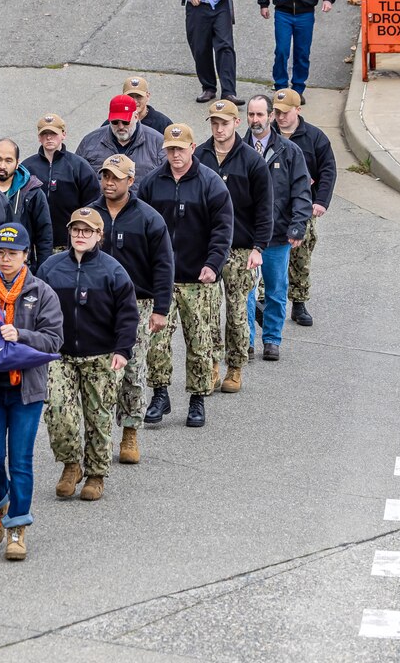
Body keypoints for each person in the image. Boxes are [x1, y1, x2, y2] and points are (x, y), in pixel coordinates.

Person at [0, 223, 63, 562]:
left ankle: (16, 528)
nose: (5, 258)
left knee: (21, 462)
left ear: (26, 256)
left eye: (12, 253)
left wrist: (20, 335)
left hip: (26, 390)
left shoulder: (42, 292)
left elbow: (54, 341)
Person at [40, 207, 139, 502]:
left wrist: (123, 350)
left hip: (102, 355)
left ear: (99, 236)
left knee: (98, 417)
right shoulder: (50, 268)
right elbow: (36, 308)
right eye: (75, 230)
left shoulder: (113, 271)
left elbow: (127, 314)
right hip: (60, 355)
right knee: (58, 411)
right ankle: (71, 465)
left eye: (87, 231)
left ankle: (96, 474)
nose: (80, 235)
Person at [139, 125, 233, 428]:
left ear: (193, 148)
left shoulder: (211, 183)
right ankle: (160, 393)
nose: (175, 155)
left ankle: (197, 399)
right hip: (162, 280)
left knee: (200, 342)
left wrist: (213, 264)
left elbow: (222, 228)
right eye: (170, 149)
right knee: (157, 342)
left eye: (180, 149)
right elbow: (141, 226)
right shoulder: (153, 182)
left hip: (198, 279)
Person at [94, 154, 174, 464]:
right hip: (97, 303)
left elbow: (164, 265)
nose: (108, 182)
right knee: (99, 369)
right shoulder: (90, 214)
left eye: (115, 177)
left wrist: (161, 308)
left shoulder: (149, 218)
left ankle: (129, 432)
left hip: (137, 304)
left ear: (131, 181)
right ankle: (98, 435)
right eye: (105, 176)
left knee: (133, 368)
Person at [195, 99, 273, 391]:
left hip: (241, 249)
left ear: (236, 123)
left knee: (238, 311)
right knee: (209, 311)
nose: (218, 128)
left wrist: (258, 248)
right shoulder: (200, 155)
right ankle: (213, 364)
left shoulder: (251, 160)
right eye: (214, 123)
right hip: (207, 247)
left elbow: (265, 208)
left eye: (224, 123)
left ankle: (236, 366)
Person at [243, 95, 312, 360]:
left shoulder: (289, 151)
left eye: (260, 115)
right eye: (251, 115)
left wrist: (298, 225)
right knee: (246, 291)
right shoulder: (238, 150)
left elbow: (301, 191)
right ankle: (246, 341)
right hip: (246, 236)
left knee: (275, 289)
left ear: (271, 116)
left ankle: (271, 339)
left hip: (278, 235)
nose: (255, 120)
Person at [272, 88, 337, 327]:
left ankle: (298, 303)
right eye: (276, 112)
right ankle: (262, 301)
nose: (280, 117)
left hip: (301, 207)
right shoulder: (265, 134)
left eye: (285, 112)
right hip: (271, 206)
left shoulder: (315, 137)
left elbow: (328, 169)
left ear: (298, 110)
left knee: (300, 255)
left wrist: (320, 201)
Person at [21, 114, 99, 251]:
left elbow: (92, 205)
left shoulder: (79, 167)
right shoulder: (27, 168)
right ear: (39, 137)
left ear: (63, 134)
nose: (49, 137)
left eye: (53, 133)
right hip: (33, 245)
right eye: (44, 134)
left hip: (69, 245)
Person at [0, 139, 53, 271]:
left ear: (17, 163)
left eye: (8, 160)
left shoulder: (32, 192)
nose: (2, 165)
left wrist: (43, 272)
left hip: (20, 268)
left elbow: (44, 236)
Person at [76, 94, 165, 198]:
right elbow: (75, 178)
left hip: (140, 211)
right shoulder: (90, 142)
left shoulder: (157, 143)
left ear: (136, 117)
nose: (120, 126)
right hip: (99, 209)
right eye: (115, 122)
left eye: (125, 122)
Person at [100, 77, 173, 135]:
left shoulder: (162, 123)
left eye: (139, 96)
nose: (134, 101)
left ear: (147, 96)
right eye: (130, 96)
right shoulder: (113, 123)